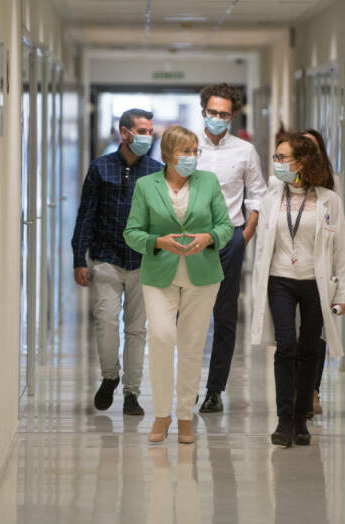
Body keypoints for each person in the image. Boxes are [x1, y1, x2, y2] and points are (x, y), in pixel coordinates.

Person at [124, 125, 233, 443]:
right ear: (169, 154)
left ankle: (185, 416)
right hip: (159, 274)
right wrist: (158, 242)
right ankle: (161, 415)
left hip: (202, 275)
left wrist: (209, 237)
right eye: (186, 151)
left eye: (195, 151)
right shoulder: (147, 186)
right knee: (161, 337)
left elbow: (225, 225)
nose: (192, 157)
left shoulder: (208, 182)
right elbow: (132, 232)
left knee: (191, 346)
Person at [251, 133, 345, 447]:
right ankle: (283, 420)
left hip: (314, 282)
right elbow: (261, 249)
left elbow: (341, 250)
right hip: (280, 278)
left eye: (284, 158)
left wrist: (344, 291)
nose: (278, 164)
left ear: (303, 162)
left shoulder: (328, 200)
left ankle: (301, 418)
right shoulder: (272, 198)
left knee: (310, 348)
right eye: (277, 158)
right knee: (286, 347)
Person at [71, 108, 162, 415]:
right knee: (107, 321)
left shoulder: (156, 171)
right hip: (106, 258)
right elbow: (86, 215)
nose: (148, 137)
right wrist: (78, 259)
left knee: (137, 329)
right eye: (143, 131)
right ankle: (110, 376)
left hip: (143, 261)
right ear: (125, 133)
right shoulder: (101, 168)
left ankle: (132, 393)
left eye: (150, 131)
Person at [196, 83, 267, 413]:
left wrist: (246, 232)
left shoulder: (244, 150)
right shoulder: (187, 147)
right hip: (189, 242)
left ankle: (215, 389)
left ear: (233, 116)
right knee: (189, 318)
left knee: (223, 319)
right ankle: (187, 387)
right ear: (203, 111)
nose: (217, 118)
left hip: (229, 240)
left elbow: (258, 194)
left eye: (224, 114)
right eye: (213, 113)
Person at [302, 128, 345, 418]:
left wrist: (343, 275)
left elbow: (339, 231)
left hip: (323, 269)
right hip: (291, 271)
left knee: (316, 333)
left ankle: (312, 390)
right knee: (291, 336)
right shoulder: (281, 188)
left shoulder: (333, 188)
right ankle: (295, 389)